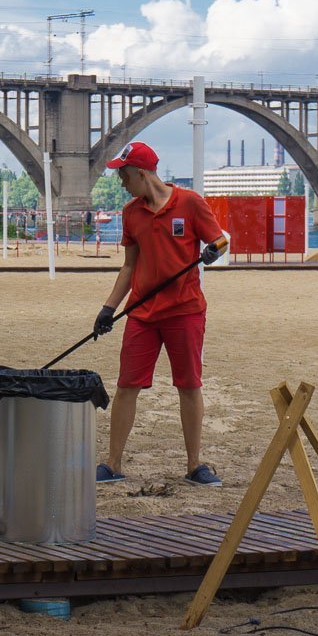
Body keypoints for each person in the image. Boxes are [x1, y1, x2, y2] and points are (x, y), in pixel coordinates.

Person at [93, 141, 227, 486]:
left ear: (141, 173)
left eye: (124, 176)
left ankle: (195, 465)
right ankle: (112, 464)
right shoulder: (131, 213)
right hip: (142, 313)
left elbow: (221, 241)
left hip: (185, 311)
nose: (121, 182)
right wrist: (108, 309)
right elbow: (129, 267)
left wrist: (212, 252)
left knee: (189, 385)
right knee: (126, 385)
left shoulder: (190, 203)